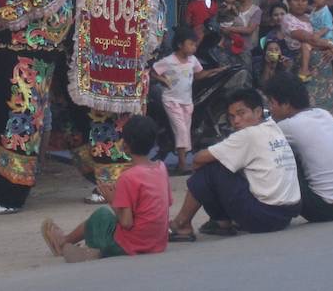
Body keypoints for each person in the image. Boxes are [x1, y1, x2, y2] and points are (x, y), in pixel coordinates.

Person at [168, 88, 301, 241]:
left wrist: (200, 175)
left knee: (209, 169)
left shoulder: (248, 134)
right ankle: (220, 222)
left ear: (257, 112)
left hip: (265, 217)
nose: (236, 121)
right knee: (222, 164)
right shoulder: (272, 126)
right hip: (286, 215)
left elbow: (198, 159)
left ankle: (182, 224)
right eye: (232, 116)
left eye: (241, 113)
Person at [41, 115, 171, 262]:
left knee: (101, 216)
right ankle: (73, 244)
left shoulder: (128, 177)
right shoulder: (161, 168)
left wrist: (112, 200)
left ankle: (64, 242)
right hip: (158, 243)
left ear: (124, 145)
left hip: (132, 244)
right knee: (110, 219)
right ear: (153, 143)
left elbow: (126, 223)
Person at [264, 72, 333, 222]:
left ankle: (268, 213)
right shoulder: (323, 113)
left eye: (271, 103)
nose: (270, 108)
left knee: (275, 153)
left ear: (286, 104)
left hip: (324, 208)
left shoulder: (288, 126)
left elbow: (257, 140)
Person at [151, 27, 226, 175]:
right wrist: (162, 80)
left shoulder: (193, 60)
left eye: (194, 45)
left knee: (185, 131)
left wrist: (214, 71)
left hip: (187, 101)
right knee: (181, 130)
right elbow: (153, 72)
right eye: (191, 44)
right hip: (171, 100)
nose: (194, 47)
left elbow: (199, 75)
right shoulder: (168, 61)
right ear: (180, 45)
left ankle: (182, 161)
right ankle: (182, 164)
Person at [281, 0, 333, 110]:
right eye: (296, 0)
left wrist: (332, 47)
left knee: (324, 104)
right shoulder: (287, 19)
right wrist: (331, 44)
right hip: (302, 67)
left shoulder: (312, 17)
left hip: (323, 66)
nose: (300, 3)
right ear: (288, 1)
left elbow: (328, 32)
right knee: (306, 103)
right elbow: (309, 38)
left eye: (304, 0)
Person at [221, 0, 262, 75]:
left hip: (244, 50)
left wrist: (230, 29)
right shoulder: (232, 6)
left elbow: (249, 30)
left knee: (245, 76)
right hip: (227, 48)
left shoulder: (256, 10)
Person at [300, 0, 333, 82]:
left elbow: (328, 26)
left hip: (325, 38)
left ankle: (304, 70)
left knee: (305, 45)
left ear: (327, 0)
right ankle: (306, 69)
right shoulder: (314, 10)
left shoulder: (325, 12)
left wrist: (318, 34)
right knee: (305, 46)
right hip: (316, 38)